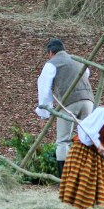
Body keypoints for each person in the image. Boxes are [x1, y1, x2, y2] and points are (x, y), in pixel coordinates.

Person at [35, 38, 95, 175]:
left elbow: (44, 89)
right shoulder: (77, 60)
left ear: (51, 52)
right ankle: (85, 172)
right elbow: (87, 74)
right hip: (88, 101)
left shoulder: (51, 64)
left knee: (63, 140)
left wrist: (44, 112)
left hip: (69, 102)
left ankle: (64, 176)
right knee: (86, 138)